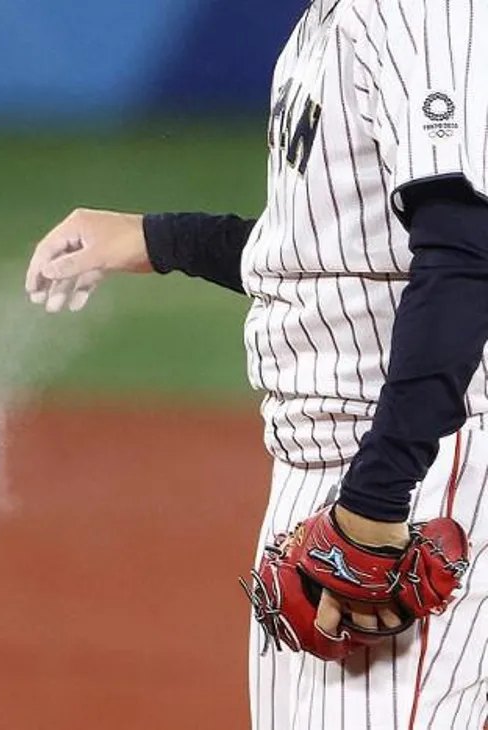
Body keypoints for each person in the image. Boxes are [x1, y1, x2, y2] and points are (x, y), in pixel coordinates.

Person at [24, 1, 488, 727]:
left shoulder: (423, 12)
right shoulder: (329, 20)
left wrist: (375, 501)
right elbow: (330, 259)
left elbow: (465, 256)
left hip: (407, 471)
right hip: (326, 467)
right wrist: (157, 238)